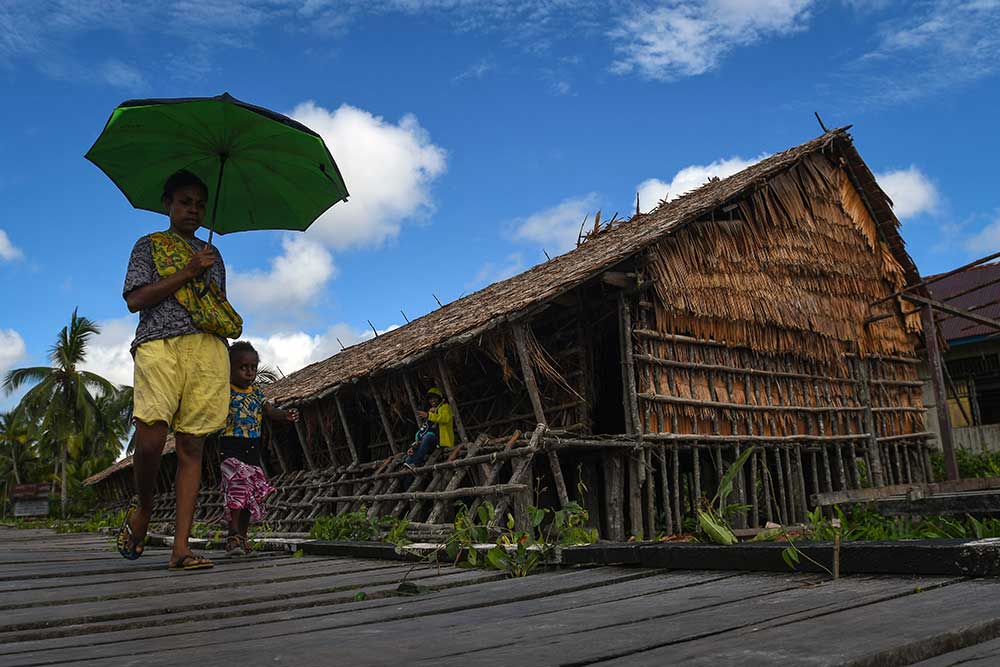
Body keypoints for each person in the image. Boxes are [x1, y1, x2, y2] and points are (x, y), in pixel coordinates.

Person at [117, 169, 243, 571]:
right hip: (159, 344)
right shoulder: (149, 246)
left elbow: (214, 305)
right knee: (151, 439)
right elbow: (136, 299)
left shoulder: (213, 255)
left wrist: (203, 273)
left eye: (200, 204)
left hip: (207, 348)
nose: (194, 210)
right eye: (186, 202)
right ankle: (145, 507)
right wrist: (187, 271)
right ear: (168, 205)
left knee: (192, 446)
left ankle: (181, 548)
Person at [220, 341, 298, 555]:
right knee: (237, 492)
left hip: (252, 450)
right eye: (243, 367)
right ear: (230, 368)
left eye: (253, 367)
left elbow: (271, 411)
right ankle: (233, 537)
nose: (249, 372)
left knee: (249, 495)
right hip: (230, 448)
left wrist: (285, 415)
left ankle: (241, 537)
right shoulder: (224, 392)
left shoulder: (258, 394)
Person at [403, 387, 455, 472]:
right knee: (412, 451)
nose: (432, 400)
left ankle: (415, 463)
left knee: (428, 436)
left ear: (439, 398)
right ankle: (406, 467)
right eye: (430, 399)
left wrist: (428, 415)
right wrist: (414, 445)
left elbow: (444, 419)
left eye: (434, 398)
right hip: (430, 443)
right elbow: (424, 429)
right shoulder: (432, 412)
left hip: (441, 442)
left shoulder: (445, 407)